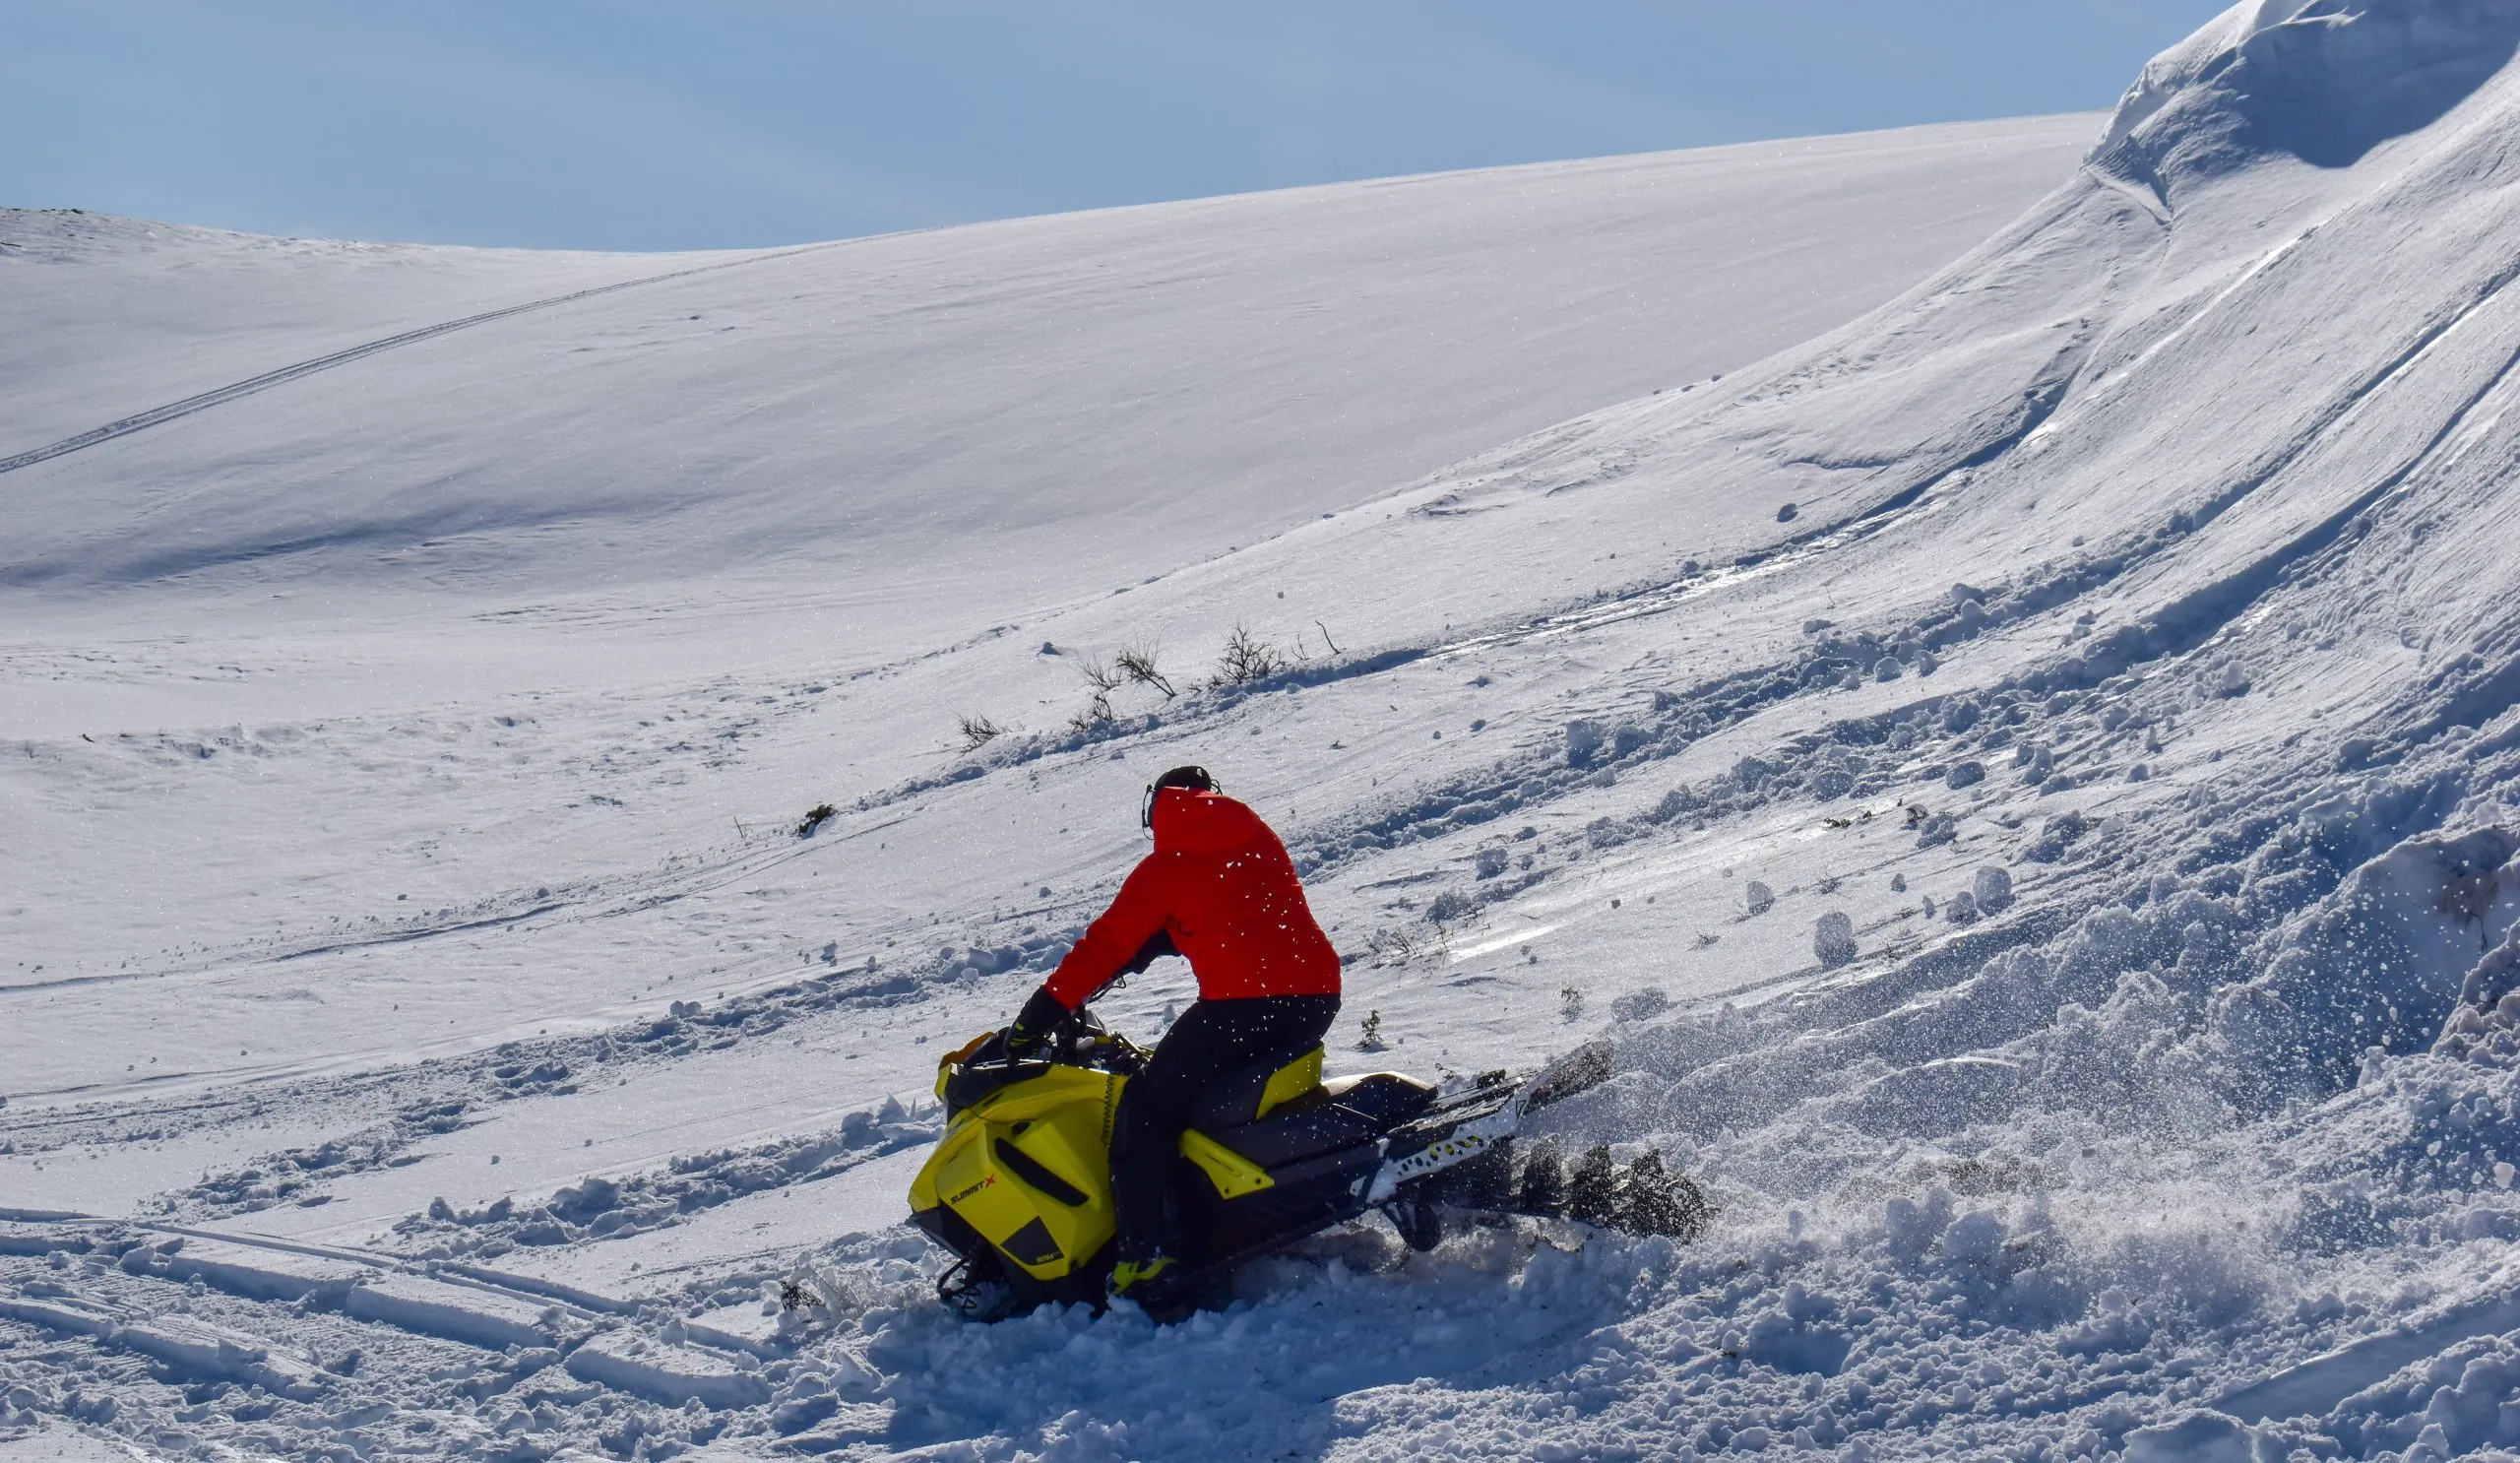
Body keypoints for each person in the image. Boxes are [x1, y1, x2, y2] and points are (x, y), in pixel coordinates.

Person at [1001, 765, 1340, 1307]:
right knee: (1215, 1097)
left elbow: (1103, 946)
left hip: (1243, 1005)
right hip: (1316, 995)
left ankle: (1148, 1254)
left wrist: (1036, 1019)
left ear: (1155, 810)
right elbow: (1240, 914)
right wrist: (1159, 940)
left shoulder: (1164, 867)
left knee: (1147, 1105)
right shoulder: (1253, 832)